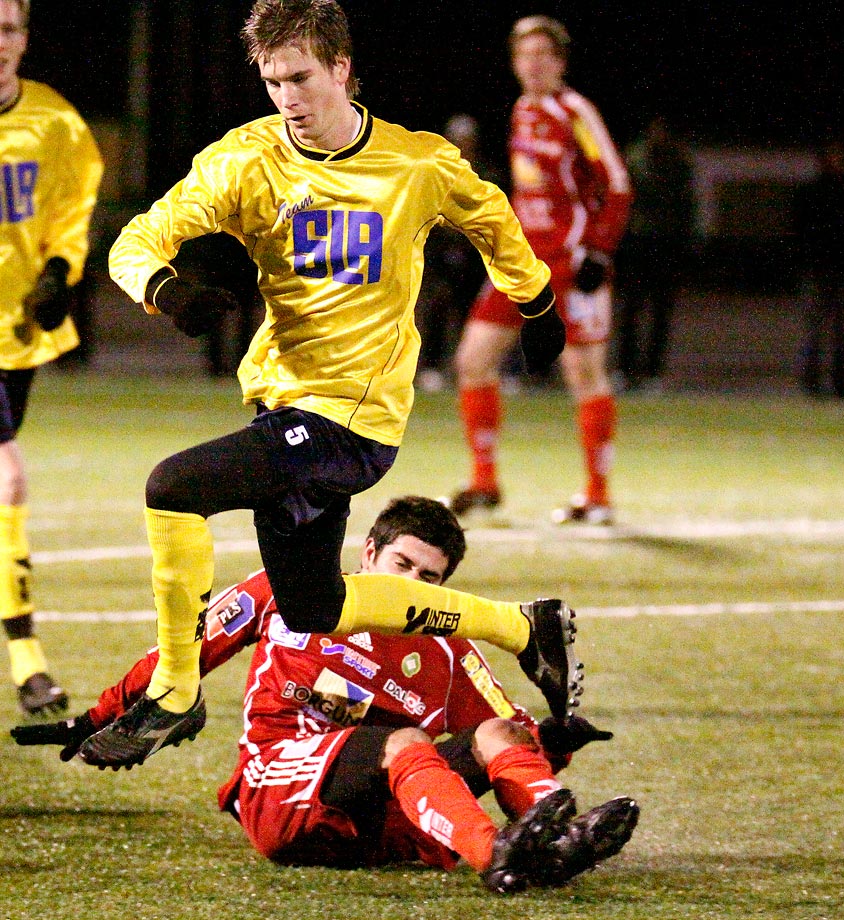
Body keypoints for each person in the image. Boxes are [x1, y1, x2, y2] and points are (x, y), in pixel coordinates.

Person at [92, 0, 577, 771]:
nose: (286, 97)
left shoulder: (415, 164)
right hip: (281, 404)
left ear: (342, 70)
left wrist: (537, 300)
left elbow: (492, 219)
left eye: (301, 78)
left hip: (353, 420)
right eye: (272, 81)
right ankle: (523, 628)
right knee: (316, 605)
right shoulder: (245, 160)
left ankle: (177, 693)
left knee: (174, 486)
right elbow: (135, 239)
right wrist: (167, 289)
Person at [12, 496, 640, 893]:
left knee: (496, 733)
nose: (414, 584)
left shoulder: (451, 652)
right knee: (405, 740)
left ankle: (558, 845)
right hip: (280, 796)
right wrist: (97, 716)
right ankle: (494, 854)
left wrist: (555, 745)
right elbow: (179, 654)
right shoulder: (291, 594)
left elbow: (510, 738)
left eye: (431, 578)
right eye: (403, 566)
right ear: (369, 553)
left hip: (382, 826)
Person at [448, 15, 633, 527]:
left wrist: (598, 251)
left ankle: (597, 495)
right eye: (524, 55)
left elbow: (616, 185)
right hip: (521, 261)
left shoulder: (575, 112)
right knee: (473, 360)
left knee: (584, 373)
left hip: (571, 264)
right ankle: (485, 482)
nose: (533, 64)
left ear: (560, 61)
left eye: (543, 55)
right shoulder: (521, 111)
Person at [0, 0, 103, 714]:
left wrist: (59, 274)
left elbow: (71, 212)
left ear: (25, 38)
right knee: (6, 480)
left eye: (7, 28)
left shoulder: (56, 124)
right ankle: (28, 660)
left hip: (13, 336)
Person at [415, 114, 503, 392]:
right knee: (437, 309)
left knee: (479, 314)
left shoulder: (486, 173)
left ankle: (488, 368)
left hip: (476, 256)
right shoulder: (435, 172)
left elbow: (495, 215)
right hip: (442, 255)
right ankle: (431, 367)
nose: (463, 145)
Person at [790, 139, 844, 399]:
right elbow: (798, 230)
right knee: (813, 331)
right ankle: (812, 381)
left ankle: (842, 383)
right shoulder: (811, 191)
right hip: (816, 269)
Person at [615, 116, 695, 395]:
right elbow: (621, 195)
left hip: (665, 243)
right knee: (631, 308)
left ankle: (652, 371)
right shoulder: (635, 157)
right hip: (638, 241)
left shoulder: (679, 161)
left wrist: (686, 241)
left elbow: (686, 204)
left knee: (661, 310)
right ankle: (624, 369)